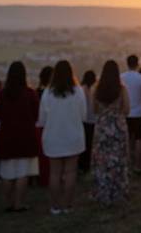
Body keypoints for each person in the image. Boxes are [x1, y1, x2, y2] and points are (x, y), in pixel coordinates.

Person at [38, 60, 86, 215]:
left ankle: (55, 206)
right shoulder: (78, 91)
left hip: (53, 137)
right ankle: (67, 205)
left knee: (55, 173)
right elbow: (83, 115)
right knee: (71, 172)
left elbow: (42, 119)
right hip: (73, 136)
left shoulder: (47, 92)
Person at [0, 61, 39, 212]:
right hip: (25, 136)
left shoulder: (2, 94)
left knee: (7, 173)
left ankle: (8, 203)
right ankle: (19, 204)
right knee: (22, 172)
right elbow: (36, 115)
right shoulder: (30, 93)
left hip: (7, 136)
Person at [91, 60, 130, 206]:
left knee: (102, 161)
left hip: (102, 126)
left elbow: (94, 110)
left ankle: (103, 192)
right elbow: (127, 109)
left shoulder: (97, 89)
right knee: (118, 160)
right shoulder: (121, 89)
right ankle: (118, 193)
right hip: (118, 126)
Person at [120, 55, 141, 175]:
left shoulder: (121, 77)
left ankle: (126, 164)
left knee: (126, 139)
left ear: (127, 63)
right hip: (139, 113)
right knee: (138, 139)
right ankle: (137, 165)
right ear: (137, 64)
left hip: (125, 113)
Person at [35, 66, 53, 187]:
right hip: (49, 125)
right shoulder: (52, 93)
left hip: (38, 126)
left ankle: (41, 178)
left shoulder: (37, 92)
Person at [79, 70, 96, 174]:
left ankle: (84, 165)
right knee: (89, 144)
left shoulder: (82, 89)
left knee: (86, 144)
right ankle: (86, 165)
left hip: (84, 120)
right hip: (89, 120)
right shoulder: (89, 90)